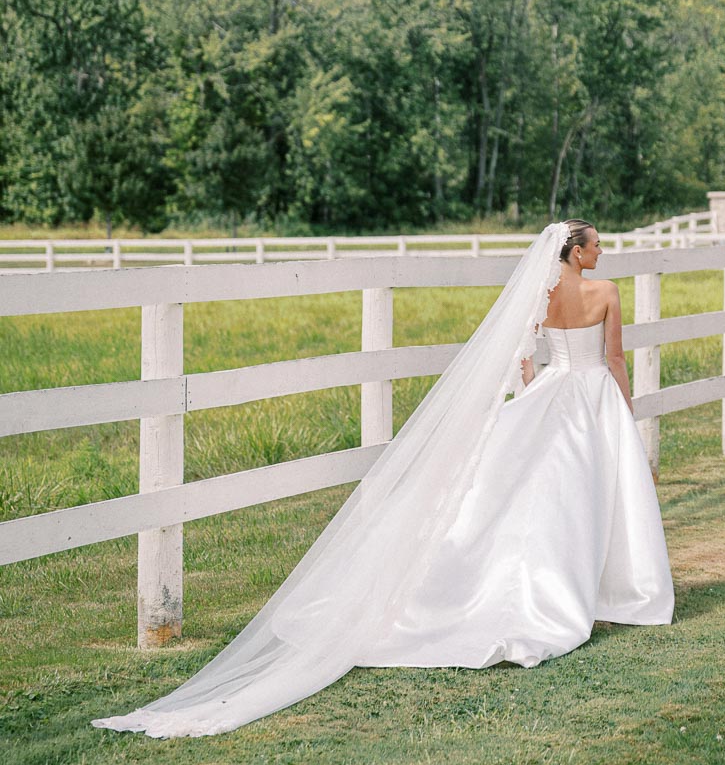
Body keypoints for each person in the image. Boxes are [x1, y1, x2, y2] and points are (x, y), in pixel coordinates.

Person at [92, 219, 674, 738]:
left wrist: (531, 394)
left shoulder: (541, 296)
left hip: (551, 392)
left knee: (534, 498)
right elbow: (615, 358)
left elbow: (525, 357)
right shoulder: (605, 292)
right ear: (576, 253)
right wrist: (623, 404)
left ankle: (546, 590)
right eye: (597, 244)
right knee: (587, 497)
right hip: (590, 395)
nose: (603, 251)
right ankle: (600, 591)